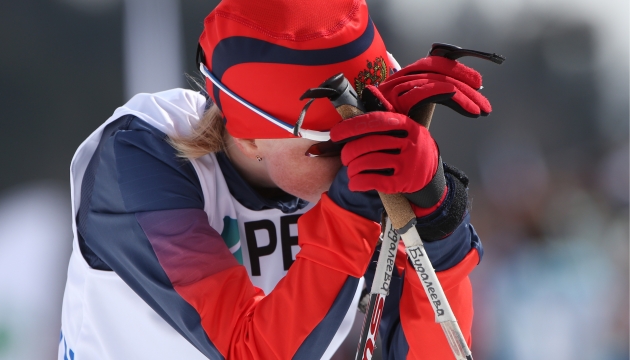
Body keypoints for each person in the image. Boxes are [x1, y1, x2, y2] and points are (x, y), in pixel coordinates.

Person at [58, 0, 488, 359]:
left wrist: (439, 229)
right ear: (247, 137)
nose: (356, 161)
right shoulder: (141, 158)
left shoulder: (342, 186)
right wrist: (350, 213)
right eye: (331, 145)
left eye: (371, 128)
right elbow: (251, 350)